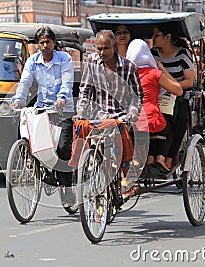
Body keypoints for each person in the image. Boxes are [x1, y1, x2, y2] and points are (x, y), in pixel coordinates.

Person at [10, 26, 76, 207]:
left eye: (48, 42)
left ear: (53, 43)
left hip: (63, 110)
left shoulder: (64, 59)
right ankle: (34, 165)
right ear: (38, 44)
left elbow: (67, 81)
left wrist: (62, 98)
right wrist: (18, 100)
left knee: (63, 147)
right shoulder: (33, 61)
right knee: (26, 136)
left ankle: (67, 186)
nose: (45, 45)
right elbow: (24, 83)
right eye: (42, 42)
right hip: (42, 109)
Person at [75, 29, 143, 193]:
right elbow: (84, 91)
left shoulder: (128, 67)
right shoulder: (91, 63)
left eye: (105, 48)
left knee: (122, 139)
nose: (102, 52)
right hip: (98, 115)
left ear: (114, 46)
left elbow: (137, 97)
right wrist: (80, 112)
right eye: (99, 49)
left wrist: (133, 112)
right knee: (80, 131)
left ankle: (124, 175)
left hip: (121, 115)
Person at [126, 39, 182, 175]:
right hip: (152, 119)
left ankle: (149, 158)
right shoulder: (154, 73)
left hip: (132, 123)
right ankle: (160, 158)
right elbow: (178, 90)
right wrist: (162, 69)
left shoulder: (126, 74)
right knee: (170, 129)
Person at [151, 24, 195, 170]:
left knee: (180, 120)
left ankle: (169, 157)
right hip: (157, 97)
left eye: (156, 35)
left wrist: (170, 87)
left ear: (167, 37)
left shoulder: (183, 55)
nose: (153, 38)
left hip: (180, 96)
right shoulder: (153, 54)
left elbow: (189, 81)